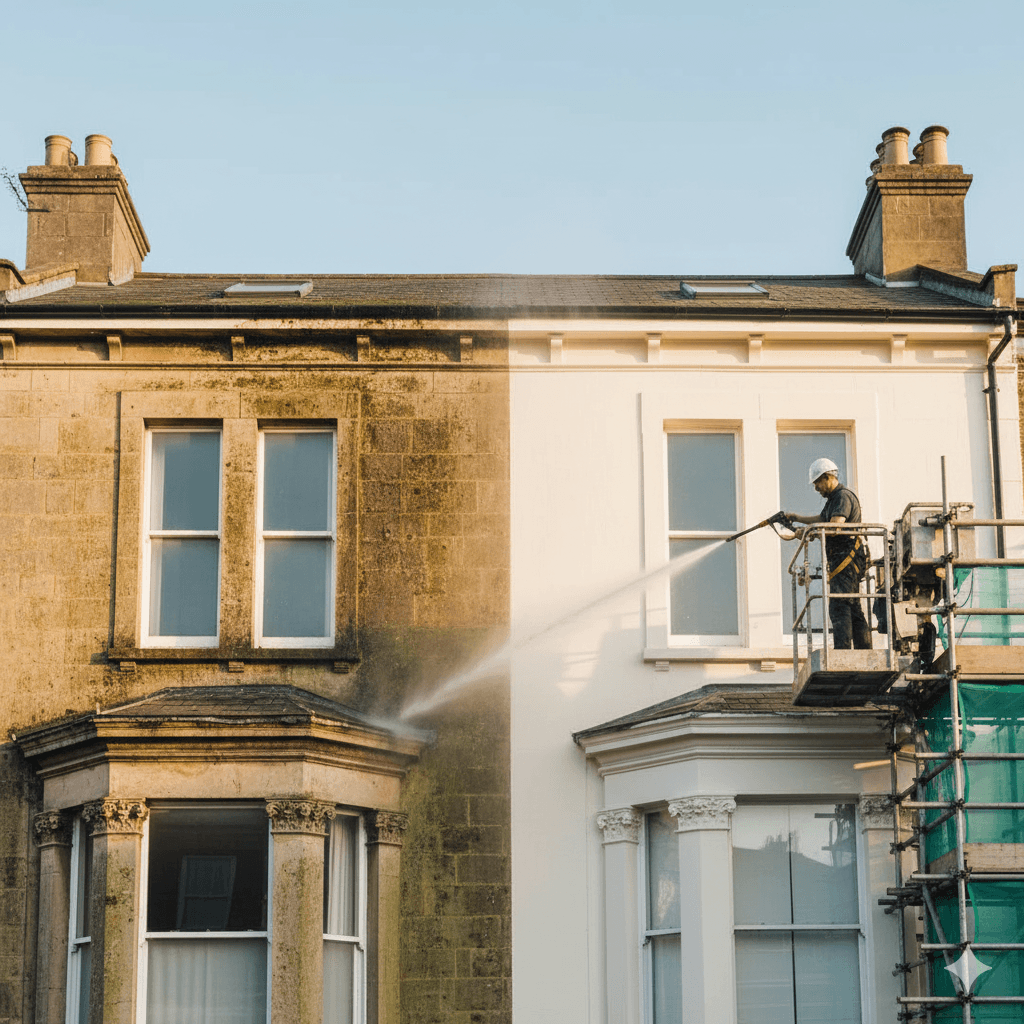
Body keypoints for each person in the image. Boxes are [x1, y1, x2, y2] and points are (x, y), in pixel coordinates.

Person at [786, 458, 872, 650]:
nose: (816, 488)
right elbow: (822, 519)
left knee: (839, 605)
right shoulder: (834, 499)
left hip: (847, 558)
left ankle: (843, 651)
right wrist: (798, 518)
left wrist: (808, 532)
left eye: (818, 483)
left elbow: (835, 525)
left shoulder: (843, 496)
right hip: (844, 559)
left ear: (827, 477)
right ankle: (863, 650)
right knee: (852, 605)